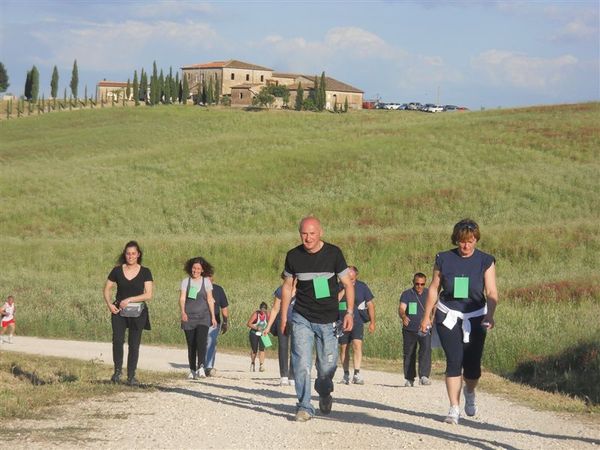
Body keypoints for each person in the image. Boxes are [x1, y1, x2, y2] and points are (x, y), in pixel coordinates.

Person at [420, 219, 498, 425]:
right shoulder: (444, 258)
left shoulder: (485, 260)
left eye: (471, 241)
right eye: (463, 241)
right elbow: (434, 288)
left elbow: (491, 291)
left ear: (476, 240)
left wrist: (490, 314)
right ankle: (454, 407)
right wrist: (427, 316)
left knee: (472, 365)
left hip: (475, 316)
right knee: (454, 360)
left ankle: (469, 392)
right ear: (457, 240)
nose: (466, 246)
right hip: (448, 315)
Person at [280, 216, 355, 422]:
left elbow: (348, 284)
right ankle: (304, 406)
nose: (308, 238)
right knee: (301, 362)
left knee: (326, 367)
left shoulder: (334, 253)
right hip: (301, 315)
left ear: (320, 233)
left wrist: (349, 312)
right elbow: (287, 287)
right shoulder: (293, 256)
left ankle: (324, 391)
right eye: (304, 233)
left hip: (328, 318)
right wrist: (285, 317)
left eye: (312, 233)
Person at [103, 241, 153, 386]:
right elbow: (107, 289)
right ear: (124, 254)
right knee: (118, 340)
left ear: (138, 255)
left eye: (133, 253)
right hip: (119, 311)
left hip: (138, 312)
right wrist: (109, 305)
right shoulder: (117, 270)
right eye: (128, 253)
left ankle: (131, 376)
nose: (130, 256)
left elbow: (148, 295)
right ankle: (117, 372)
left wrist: (130, 299)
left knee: (134, 344)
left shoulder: (145, 271)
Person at [180, 257, 217, 380]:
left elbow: (210, 299)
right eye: (194, 268)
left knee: (201, 341)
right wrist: (183, 312)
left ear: (202, 270)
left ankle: (201, 366)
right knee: (191, 344)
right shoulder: (186, 281)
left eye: (198, 269)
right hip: (189, 317)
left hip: (203, 317)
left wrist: (213, 317)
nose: (195, 270)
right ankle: (192, 369)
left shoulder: (206, 282)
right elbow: (182, 298)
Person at [338, 266, 376, 385]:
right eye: (347, 276)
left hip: (358, 321)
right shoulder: (339, 286)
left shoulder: (362, 286)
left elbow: (370, 305)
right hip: (341, 321)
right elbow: (335, 301)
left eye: (352, 277)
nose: (350, 279)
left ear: (356, 275)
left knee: (357, 345)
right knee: (344, 347)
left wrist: (372, 322)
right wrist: (345, 288)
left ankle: (357, 373)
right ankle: (345, 374)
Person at [399, 273, 432, 387]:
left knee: (426, 350)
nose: (419, 286)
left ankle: (424, 376)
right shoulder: (407, 294)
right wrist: (403, 316)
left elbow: (435, 307)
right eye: (417, 284)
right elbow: (402, 308)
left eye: (422, 284)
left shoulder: (429, 293)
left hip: (425, 328)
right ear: (413, 282)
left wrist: (432, 319)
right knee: (409, 353)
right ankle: (409, 378)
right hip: (409, 329)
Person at [265, 272, 296, 386]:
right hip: (281, 321)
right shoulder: (280, 290)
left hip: (297, 322)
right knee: (283, 348)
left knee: (295, 348)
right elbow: (275, 309)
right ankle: (284, 375)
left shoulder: (302, 291)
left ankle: (292, 376)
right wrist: (268, 327)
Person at [204, 275, 229, 377]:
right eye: (205, 277)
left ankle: (208, 367)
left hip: (214, 322)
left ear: (212, 278)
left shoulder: (218, 289)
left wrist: (225, 322)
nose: (208, 279)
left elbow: (224, 307)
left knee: (211, 342)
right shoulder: (196, 288)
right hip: (199, 319)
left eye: (209, 277)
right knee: (201, 342)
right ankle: (201, 365)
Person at [247, 302, 269, 372]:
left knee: (262, 349)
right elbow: (248, 324)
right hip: (254, 333)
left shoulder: (267, 314)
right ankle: (253, 363)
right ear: (260, 309)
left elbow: (270, 323)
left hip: (263, 334)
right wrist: (256, 328)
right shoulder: (256, 314)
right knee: (254, 349)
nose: (263, 311)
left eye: (264, 309)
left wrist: (267, 329)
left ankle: (261, 365)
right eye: (262, 309)